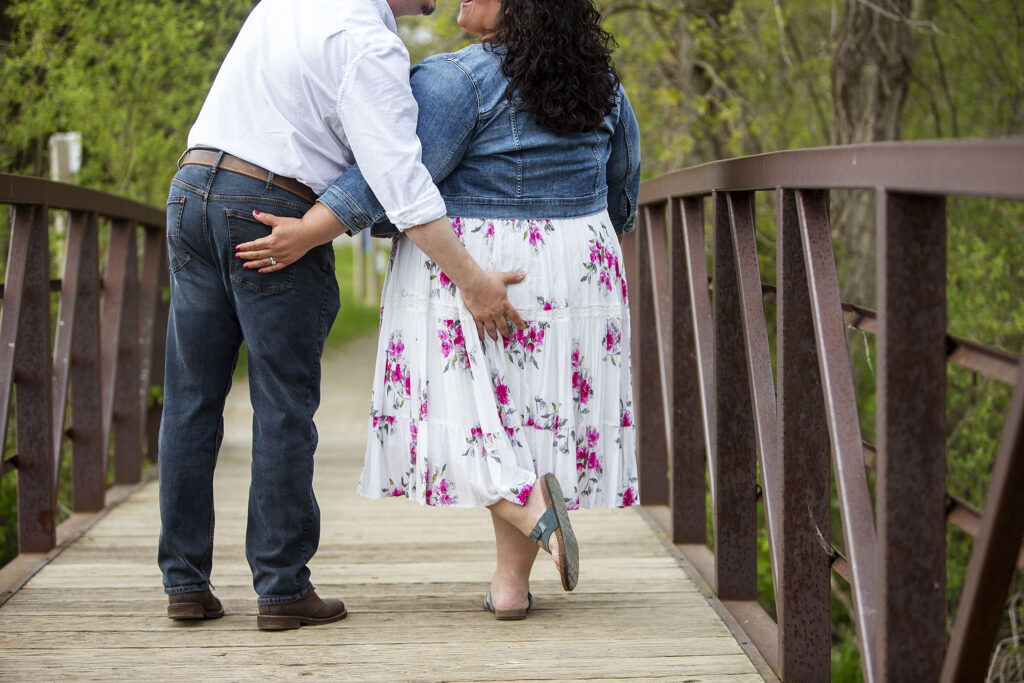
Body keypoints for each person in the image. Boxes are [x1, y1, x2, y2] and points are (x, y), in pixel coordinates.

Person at [237, 0, 641, 618]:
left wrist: (312, 230)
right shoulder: (602, 84)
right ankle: (511, 590)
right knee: (526, 426)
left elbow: (387, 174)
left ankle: (535, 515)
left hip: (473, 264)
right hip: (578, 265)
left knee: (445, 413)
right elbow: (624, 187)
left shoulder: (456, 78)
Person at [158, 0, 526, 631]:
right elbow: (401, 187)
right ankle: (280, 588)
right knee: (281, 404)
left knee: (190, 398)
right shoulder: (370, 46)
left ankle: (184, 585)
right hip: (273, 208)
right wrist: (472, 280)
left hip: (191, 187)